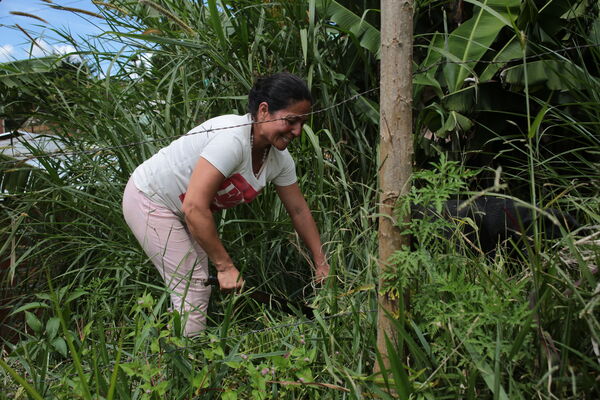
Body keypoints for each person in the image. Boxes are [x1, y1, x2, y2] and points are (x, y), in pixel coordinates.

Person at [122, 72, 329, 336]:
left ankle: (182, 355)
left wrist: (320, 261)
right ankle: (186, 366)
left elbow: (298, 210)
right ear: (264, 111)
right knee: (192, 289)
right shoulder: (232, 138)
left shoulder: (279, 159)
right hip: (150, 199)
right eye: (291, 121)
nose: (298, 132)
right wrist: (226, 266)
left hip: (187, 212)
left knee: (195, 288)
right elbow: (195, 207)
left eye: (302, 123)